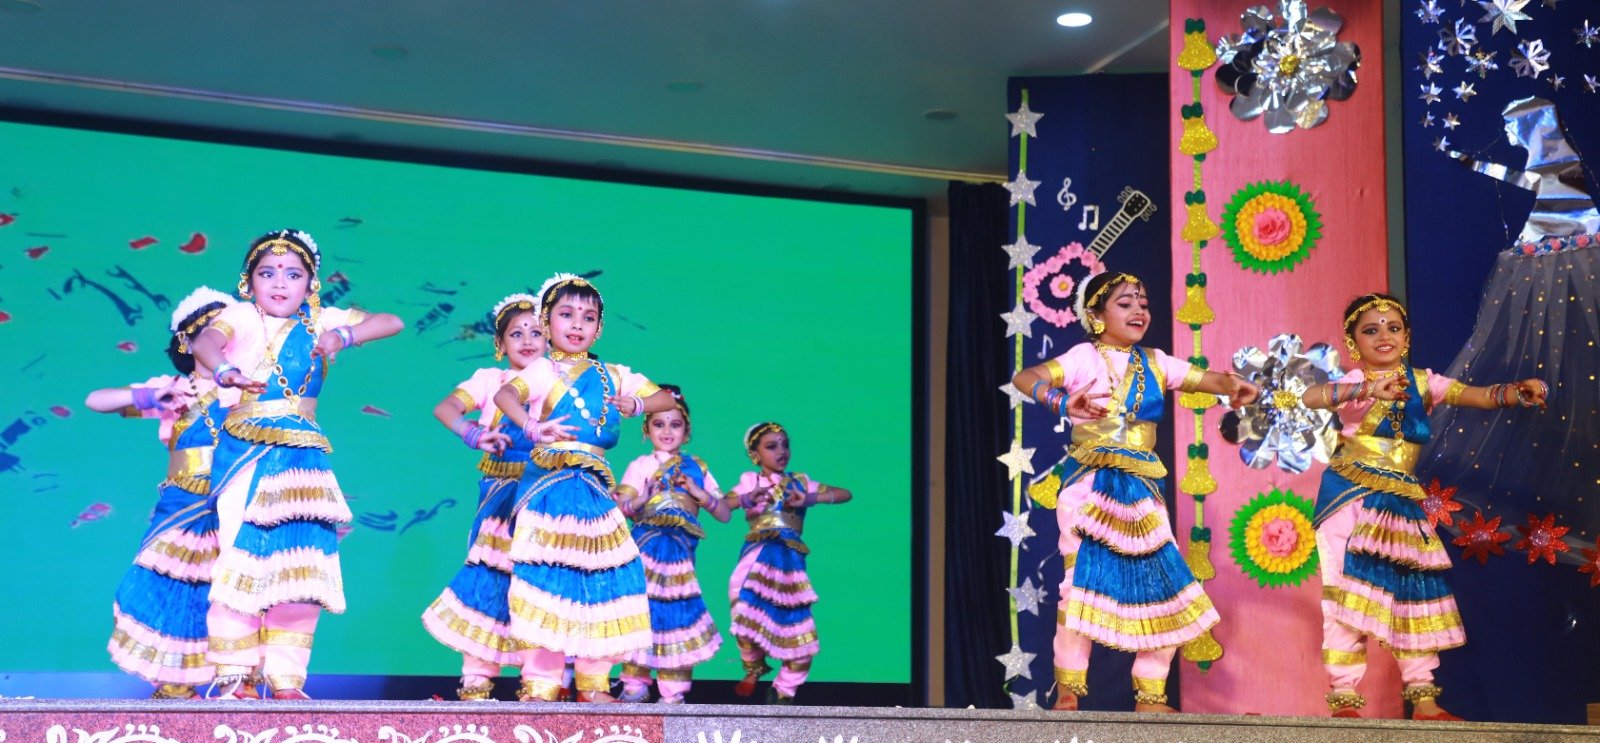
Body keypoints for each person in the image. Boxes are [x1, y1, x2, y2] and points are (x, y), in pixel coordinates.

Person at [1010, 270, 1259, 713]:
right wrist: (1062, 401)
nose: (1139, 310)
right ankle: (1069, 689)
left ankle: (1150, 695)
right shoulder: (1084, 357)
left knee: (1164, 586)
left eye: (1142, 302)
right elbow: (1025, 377)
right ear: (1096, 315)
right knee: (1079, 582)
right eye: (1125, 303)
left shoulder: (1156, 361)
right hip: (1089, 483)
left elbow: (1206, 379)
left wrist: (1232, 385)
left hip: (1142, 486)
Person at [1300, 293, 1547, 720]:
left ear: (1407, 336)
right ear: (1353, 342)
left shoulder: (1422, 381)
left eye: (1393, 327)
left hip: (1400, 500)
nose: (1384, 336)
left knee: (1412, 594)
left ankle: (1424, 697)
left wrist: (1515, 393)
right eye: (1371, 330)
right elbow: (1311, 396)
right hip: (1349, 496)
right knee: (1345, 593)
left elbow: (1475, 395)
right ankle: (1344, 698)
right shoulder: (1353, 383)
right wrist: (1367, 388)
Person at [189, 228, 404, 699]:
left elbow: (391, 321)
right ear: (249, 282)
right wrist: (225, 370)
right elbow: (204, 342)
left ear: (310, 283)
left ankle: (286, 678)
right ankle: (235, 675)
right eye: (267, 273)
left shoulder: (322, 318)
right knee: (240, 557)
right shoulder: (240, 316)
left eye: (293, 274)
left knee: (300, 565)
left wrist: (343, 335)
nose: (280, 283)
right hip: (246, 451)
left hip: (303, 456)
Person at [490, 273, 675, 702]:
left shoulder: (612, 374)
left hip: (593, 489)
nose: (577, 324)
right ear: (546, 322)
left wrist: (638, 404)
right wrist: (532, 426)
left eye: (588, 318)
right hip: (550, 486)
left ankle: (594, 682)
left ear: (599, 328)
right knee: (547, 578)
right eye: (566, 314)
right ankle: (541, 683)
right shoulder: (543, 369)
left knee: (606, 576)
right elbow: (505, 397)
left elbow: (666, 399)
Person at [91, 286, 236, 698]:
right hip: (183, 503)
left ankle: (241, 681)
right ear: (188, 343)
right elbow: (96, 400)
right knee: (169, 586)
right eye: (212, 333)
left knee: (234, 591)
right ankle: (176, 682)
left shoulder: (249, 388)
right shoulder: (173, 389)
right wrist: (152, 395)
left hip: (236, 503)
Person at [422, 293, 546, 700]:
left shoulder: (561, 381)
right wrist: (474, 434)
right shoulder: (490, 380)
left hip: (547, 498)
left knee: (540, 581)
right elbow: (446, 409)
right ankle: (477, 676)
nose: (527, 340)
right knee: (489, 576)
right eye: (516, 333)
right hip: (499, 496)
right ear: (500, 343)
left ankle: (540, 681)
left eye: (536, 332)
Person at [612, 384, 729, 703]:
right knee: (642, 612)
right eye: (658, 424)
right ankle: (633, 686)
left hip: (680, 555)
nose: (667, 431)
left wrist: (699, 493)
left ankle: (673, 693)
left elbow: (724, 514)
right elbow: (619, 510)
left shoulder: (697, 467)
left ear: (686, 432)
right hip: (646, 551)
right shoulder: (640, 465)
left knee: (677, 614)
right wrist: (643, 499)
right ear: (646, 430)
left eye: (675, 424)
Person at [725, 421, 852, 705]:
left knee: (795, 622)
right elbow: (722, 505)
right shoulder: (751, 481)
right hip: (759, 552)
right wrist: (746, 499)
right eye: (772, 446)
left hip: (790, 559)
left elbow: (845, 494)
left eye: (785, 445)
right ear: (755, 454)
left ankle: (784, 690)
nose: (781, 451)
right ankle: (754, 667)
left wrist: (811, 498)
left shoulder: (801, 482)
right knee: (743, 606)